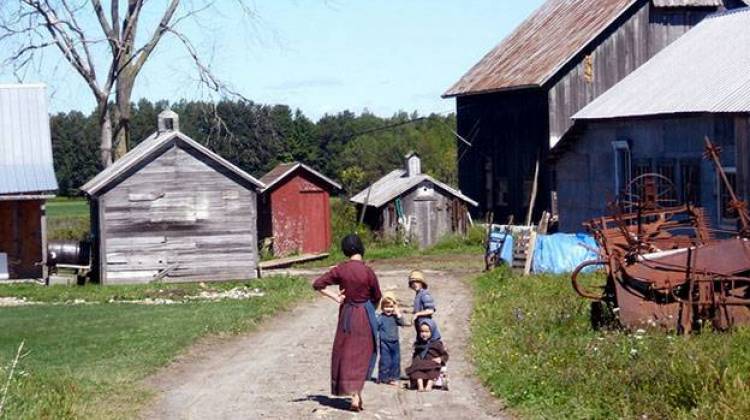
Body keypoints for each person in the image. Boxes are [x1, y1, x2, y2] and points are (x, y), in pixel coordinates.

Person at [313, 234, 382, 412]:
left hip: (348, 315)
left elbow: (318, 284)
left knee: (347, 354)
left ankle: (354, 395)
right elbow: (377, 296)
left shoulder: (341, 270)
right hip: (365, 314)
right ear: (361, 248)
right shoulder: (368, 272)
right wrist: (370, 310)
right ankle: (356, 394)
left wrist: (336, 296)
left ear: (345, 250)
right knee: (363, 354)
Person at [405, 319, 449, 392]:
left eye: (427, 332)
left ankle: (429, 385)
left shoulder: (437, 343)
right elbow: (416, 353)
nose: (424, 334)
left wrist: (440, 359)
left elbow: (445, 355)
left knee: (433, 370)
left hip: (432, 363)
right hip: (421, 362)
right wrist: (415, 360)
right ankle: (420, 385)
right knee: (417, 370)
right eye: (422, 332)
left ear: (432, 331)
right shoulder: (419, 343)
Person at [376, 293, 405, 385]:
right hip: (384, 342)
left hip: (395, 342)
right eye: (386, 307)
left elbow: (402, 323)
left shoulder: (395, 317)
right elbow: (375, 326)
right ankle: (383, 377)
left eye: (391, 307)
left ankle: (393, 378)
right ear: (382, 307)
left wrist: (398, 312)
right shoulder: (381, 317)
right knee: (385, 360)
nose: (389, 309)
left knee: (395, 360)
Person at [408, 270, 439, 335]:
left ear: (422, 283)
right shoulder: (418, 294)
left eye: (417, 282)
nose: (415, 284)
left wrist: (417, 314)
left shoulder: (425, 294)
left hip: (426, 325)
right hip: (420, 325)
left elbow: (430, 310)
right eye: (412, 282)